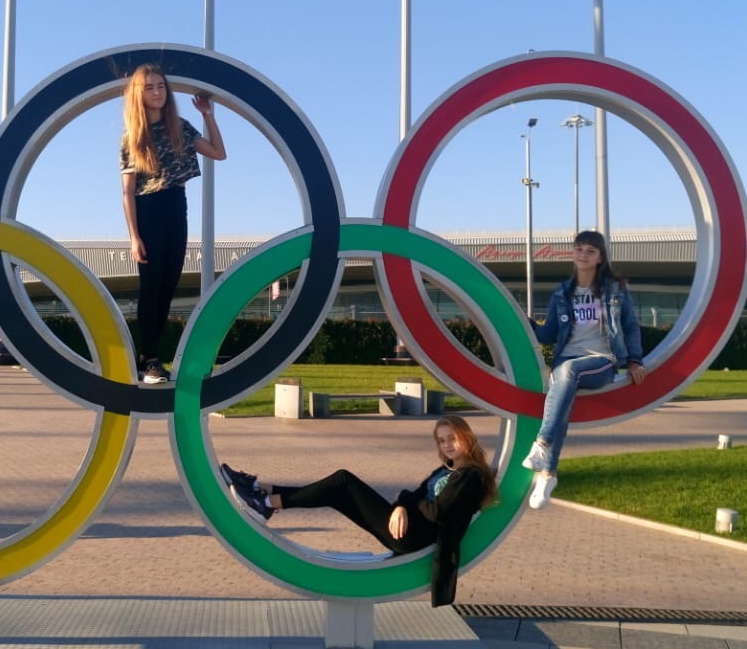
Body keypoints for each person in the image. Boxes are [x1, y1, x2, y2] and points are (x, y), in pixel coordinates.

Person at [219, 416, 498, 607]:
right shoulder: (448, 468)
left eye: (452, 438)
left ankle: (267, 502)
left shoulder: (470, 476)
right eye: (442, 440)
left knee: (343, 480)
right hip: (405, 523)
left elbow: (437, 511)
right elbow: (414, 494)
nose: (447, 445)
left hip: (412, 535)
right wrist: (402, 505)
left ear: (466, 437)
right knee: (336, 493)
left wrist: (405, 506)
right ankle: (260, 490)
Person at [521, 230, 646, 509]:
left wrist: (634, 360)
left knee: (568, 373)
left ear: (600, 257)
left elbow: (629, 326)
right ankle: (548, 475)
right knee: (562, 393)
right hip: (566, 359)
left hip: (602, 360)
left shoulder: (615, 289)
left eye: (590, 250)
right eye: (579, 249)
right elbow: (549, 334)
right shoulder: (562, 292)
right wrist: (521, 320)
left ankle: (542, 444)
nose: (583, 255)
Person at [119, 64, 226, 384]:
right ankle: (149, 358)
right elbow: (127, 192)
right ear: (139, 94)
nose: (157, 92)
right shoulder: (133, 138)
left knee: (169, 284)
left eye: (161, 86)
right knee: (151, 286)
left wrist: (207, 115)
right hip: (148, 208)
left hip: (176, 205)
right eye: (149, 87)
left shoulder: (180, 126)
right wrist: (134, 236)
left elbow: (218, 153)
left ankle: (149, 358)